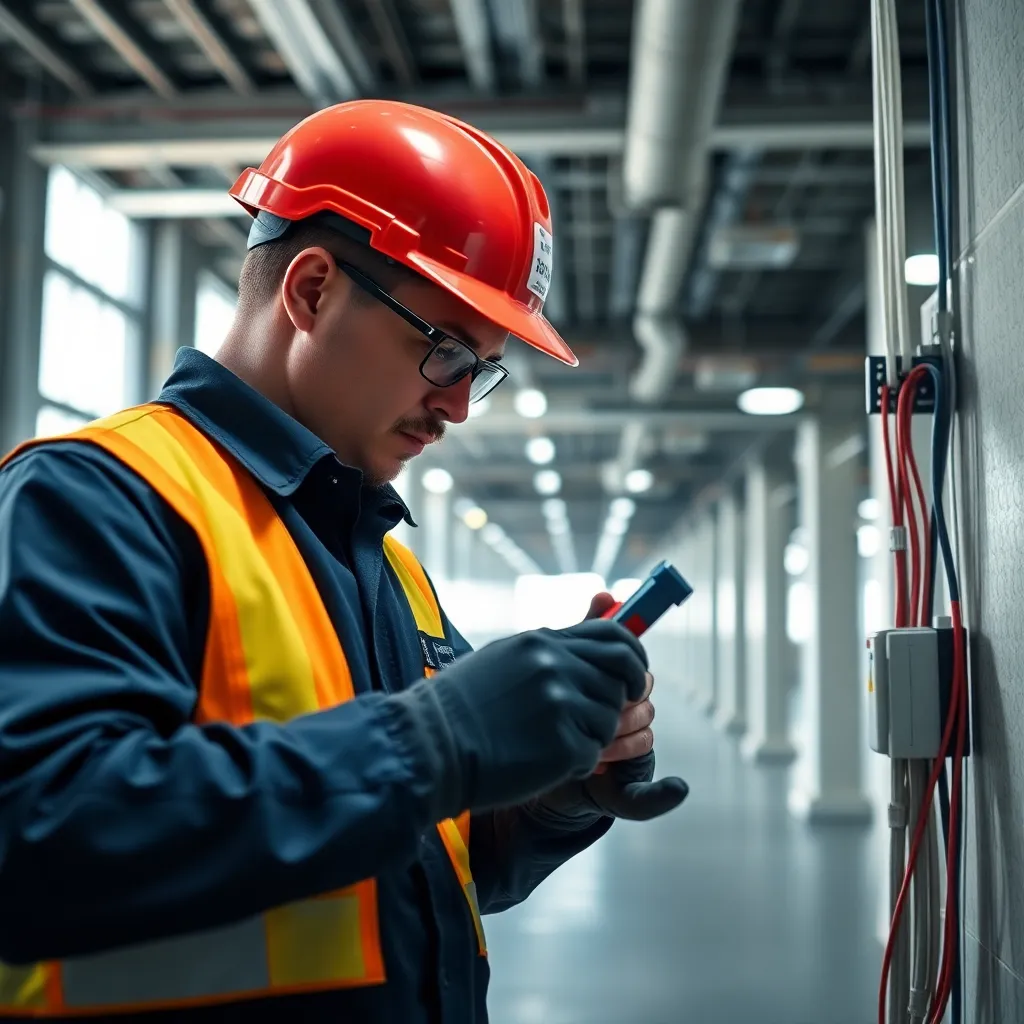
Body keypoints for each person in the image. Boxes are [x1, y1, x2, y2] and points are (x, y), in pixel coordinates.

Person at [0, 100, 687, 1022]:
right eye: (446, 350)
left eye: (480, 369)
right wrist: (437, 739)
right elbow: (39, 837)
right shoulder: (98, 501)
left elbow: (422, 865)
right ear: (313, 291)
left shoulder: (389, 567)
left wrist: (550, 789)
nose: (458, 407)